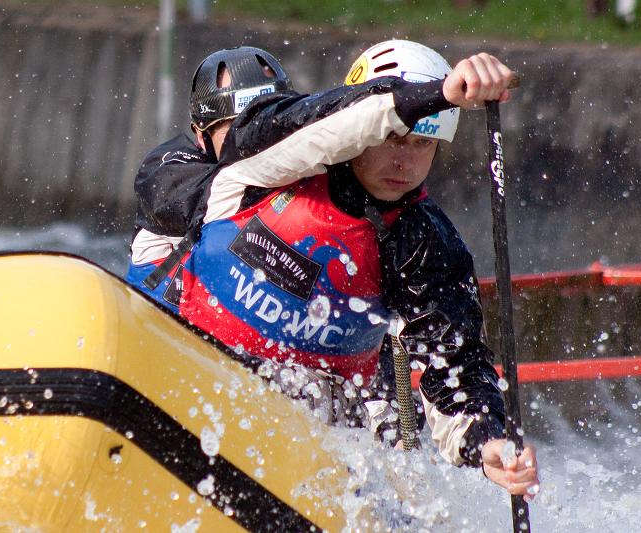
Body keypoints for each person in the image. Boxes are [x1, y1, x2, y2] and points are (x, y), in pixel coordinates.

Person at [130, 41, 539, 498]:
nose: (404, 161)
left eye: (422, 143)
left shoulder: (425, 245)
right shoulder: (264, 162)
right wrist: (440, 92)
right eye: (392, 138)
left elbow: (455, 367)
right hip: (183, 366)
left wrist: (488, 441)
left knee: (385, 413)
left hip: (311, 412)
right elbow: (320, 124)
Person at [126, 46, 292, 311]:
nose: (259, 139)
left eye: (270, 122)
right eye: (240, 127)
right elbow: (201, 196)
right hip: (162, 332)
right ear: (202, 137)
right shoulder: (170, 169)